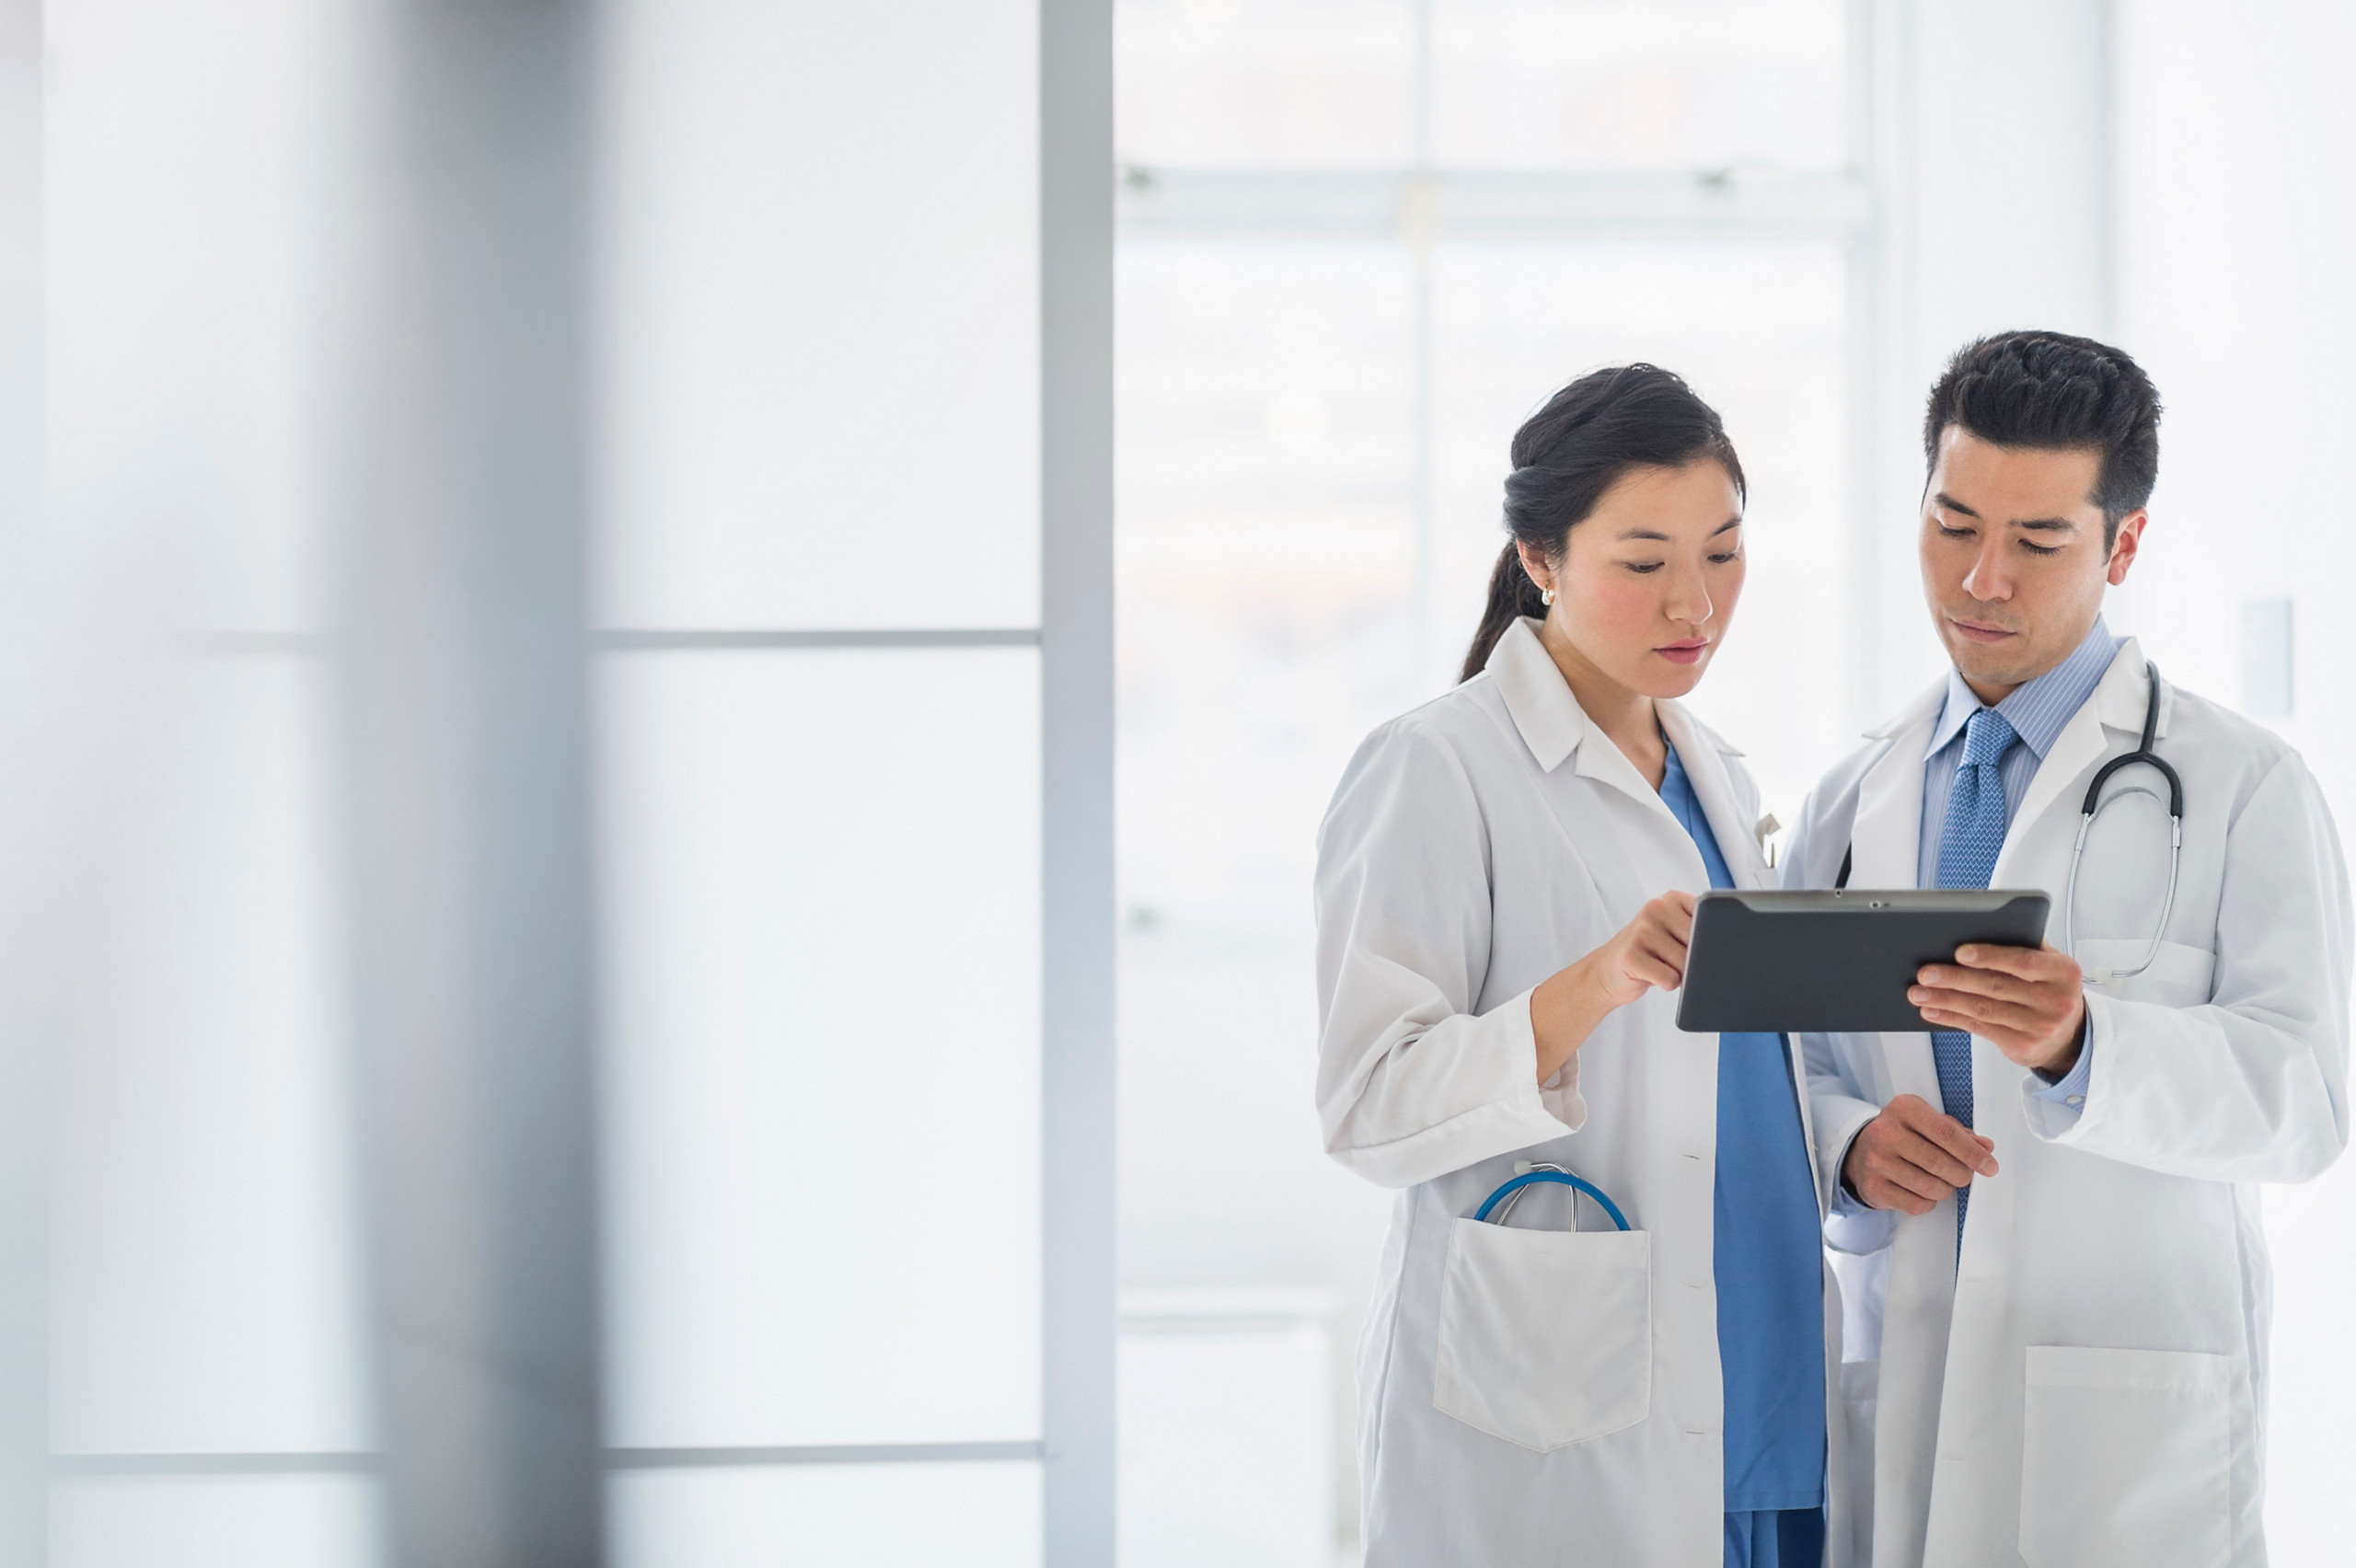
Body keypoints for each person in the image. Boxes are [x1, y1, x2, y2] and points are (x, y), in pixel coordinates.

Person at [1785, 330, 2350, 1568]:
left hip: (2124, 1420)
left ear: (2123, 546)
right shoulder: (1851, 795)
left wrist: (2087, 1045)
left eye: (2039, 542)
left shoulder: (2245, 786)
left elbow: (2306, 1103)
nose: (1982, 578)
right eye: (1952, 523)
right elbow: (1795, 1068)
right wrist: (1848, 1147)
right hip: (1906, 1368)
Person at [1316, 364, 1852, 1567]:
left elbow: (1748, 1083)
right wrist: (1591, 987)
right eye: (1645, 560)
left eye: (1723, 552)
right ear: (1542, 561)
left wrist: (1856, 1128)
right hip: (1571, 1399)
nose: (1696, 602)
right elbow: (1364, 1106)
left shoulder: (1721, 771)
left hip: (1762, 1368)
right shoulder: (1435, 769)